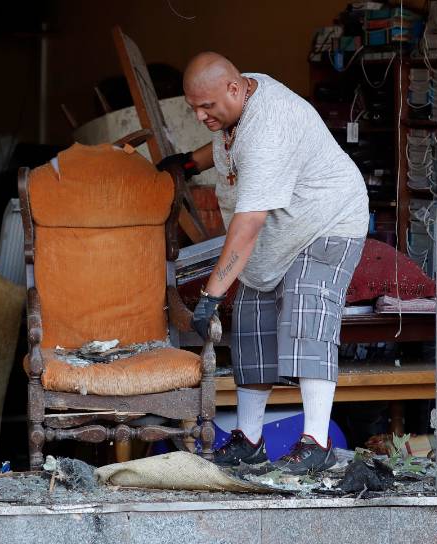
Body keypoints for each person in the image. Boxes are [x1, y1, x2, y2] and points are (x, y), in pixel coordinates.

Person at [157, 52, 368, 474]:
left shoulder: (271, 125)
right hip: (282, 231)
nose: (200, 116)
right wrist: (190, 163)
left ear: (235, 90)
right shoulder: (239, 93)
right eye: (193, 107)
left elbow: (248, 224)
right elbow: (226, 139)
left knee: (307, 312)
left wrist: (210, 295)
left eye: (206, 107)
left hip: (327, 222)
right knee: (253, 323)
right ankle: (250, 439)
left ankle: (317, 442)